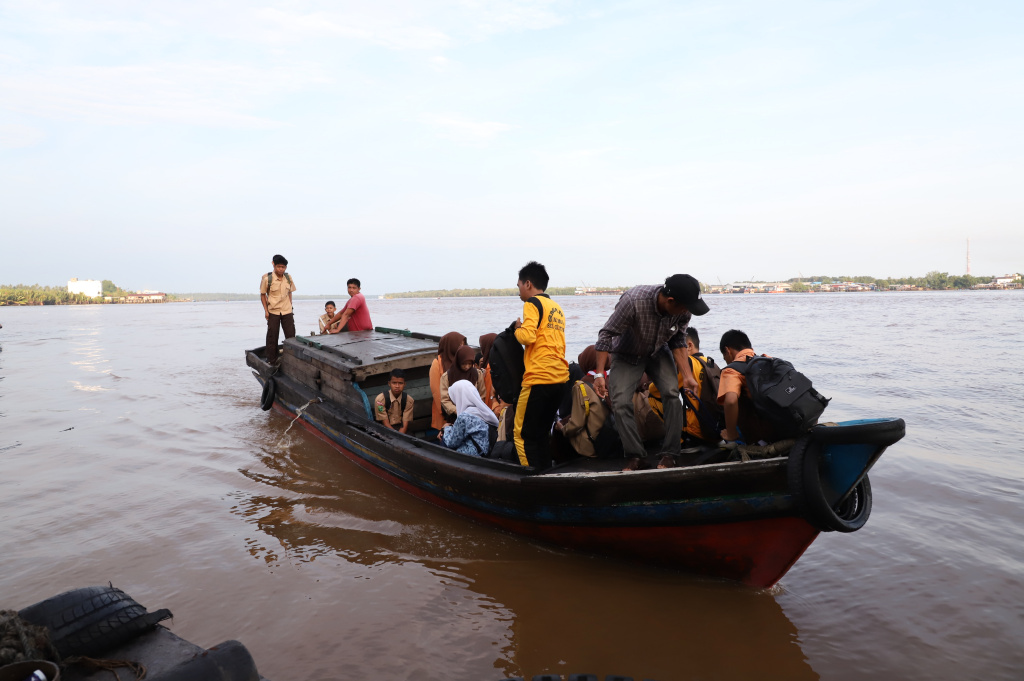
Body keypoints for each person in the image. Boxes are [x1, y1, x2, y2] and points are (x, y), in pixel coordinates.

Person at [592, 274, 710, 471]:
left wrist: (688, 377)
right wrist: (598, 375)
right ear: (670, 301)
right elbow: (606, 335)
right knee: (620, 401)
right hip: (627, 353)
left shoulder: (683, 309)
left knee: (672, 394)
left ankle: (670, 454)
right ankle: (635, 456)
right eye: (684, 307)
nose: (687, 312)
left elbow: (678, 341)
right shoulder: (633, 302)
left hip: (658, 351)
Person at [512, 261, 569, 468]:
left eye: (518, 286)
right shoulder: (556, 308)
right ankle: (545, 471)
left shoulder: (531, 303)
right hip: (560, 378)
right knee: (542, 432)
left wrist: (517, 328)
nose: (518, 292)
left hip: (538, 378)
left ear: (528, 284)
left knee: (522, 434)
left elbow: (527, 337)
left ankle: (531, 479)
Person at [648, 326, 722, 444]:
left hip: (699, 430)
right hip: (716, 428)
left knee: (651, 397)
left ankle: (681, 438)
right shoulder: (710, 363)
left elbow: (655, 390)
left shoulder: (688, 365)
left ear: (689, 346)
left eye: (674, 348)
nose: (672, 352)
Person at [717, 329, 781, 445]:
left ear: (727, 350)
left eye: (724, 357)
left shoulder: (732, 370)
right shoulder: (770, 360)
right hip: (785, 425)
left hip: (764, 435)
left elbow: (731, 401)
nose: (726, 361)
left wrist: (731, 434)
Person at [555, 345, 619, 458]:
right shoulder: (615, 380)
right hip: (617, 440)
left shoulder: (581, 386)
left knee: (560, 431)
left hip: (595, 446)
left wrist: (562, 428)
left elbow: (576, 424)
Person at [439, 380, 499, 456]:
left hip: (472, 457)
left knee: (443, 440)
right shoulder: (483, 411)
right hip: (487, 452)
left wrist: (445, 429)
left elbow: (451, 442)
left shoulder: (464, 417)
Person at [260, 254, 296, 366]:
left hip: (287, 311)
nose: (281, 269)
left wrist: (290, 304)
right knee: (272, 336)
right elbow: (262, 295)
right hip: (273, 311)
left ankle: (292, 360)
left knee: (291, 336)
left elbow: (290, 292)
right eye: (279, 266)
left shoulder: (288, 278)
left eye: (283, 267)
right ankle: (272, 360)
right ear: (274, 265)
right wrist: (266, 311)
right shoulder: (267, 279)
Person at [429, 331, 467, 434]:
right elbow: (436, 391)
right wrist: (447, 412)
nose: (462, 347)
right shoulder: (437, 363)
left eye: (463, 344)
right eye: (459, 344)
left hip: (463, 410)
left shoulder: (463, 362)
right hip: (444, 413)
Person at [440, 345, 487, 418]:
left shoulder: (477, 374)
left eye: (469, 363)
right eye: (464, 364)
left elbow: (482, 394)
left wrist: (474, 411)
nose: (467, 367)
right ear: (458, 362)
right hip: (455, 415)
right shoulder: (447, 376)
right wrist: (458, 411)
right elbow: (445, 399)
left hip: (475, 414)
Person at [374, 368, 415, 434]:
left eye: (400, 383)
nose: (397, 386)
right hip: (385, 429)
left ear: (404, 384)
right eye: (394, 383)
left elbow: (404, 424)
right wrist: (396, 437)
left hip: (401, 429)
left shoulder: (409, 400)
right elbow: (385, 423)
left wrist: (400, 436)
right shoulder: (380, 400)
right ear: (389, 383)